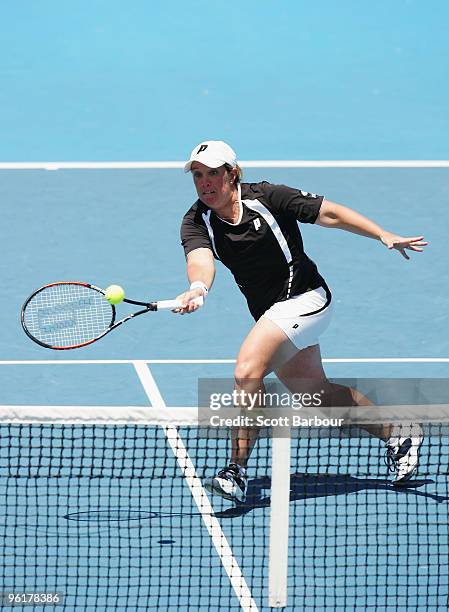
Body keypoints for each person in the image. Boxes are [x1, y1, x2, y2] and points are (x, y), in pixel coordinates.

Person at [175, 140, 428, 503]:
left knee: (247, 371)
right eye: (198, 175)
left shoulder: (267, 197)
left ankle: (236, 470)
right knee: (318, 395)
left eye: (213, 173)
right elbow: (200, 260)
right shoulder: (196, 220)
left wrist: (382, 234)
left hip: (306, 299)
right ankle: (400, 432)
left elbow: (332, 214)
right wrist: (197, 288)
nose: (205, 183)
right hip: (271, 314)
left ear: (232, 174)